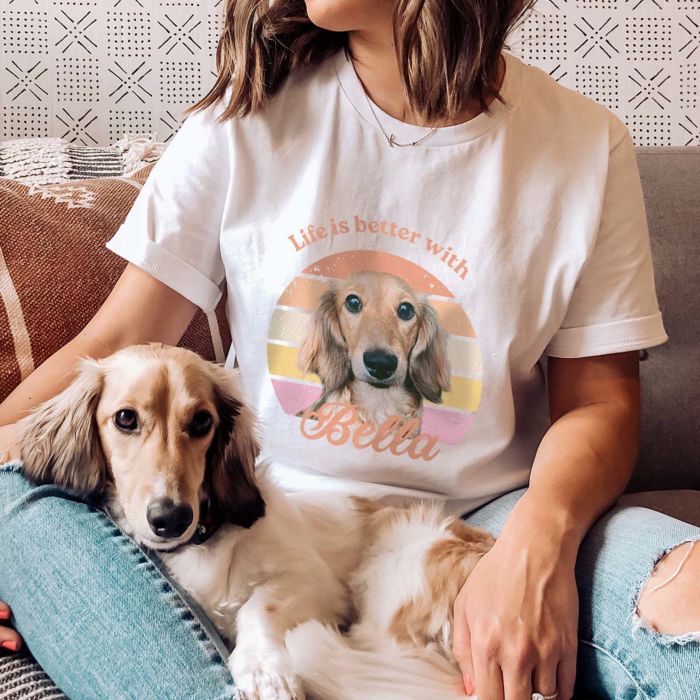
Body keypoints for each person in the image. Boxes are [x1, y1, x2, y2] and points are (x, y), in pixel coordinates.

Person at [1, 1, 698, 698]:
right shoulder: (242, 118)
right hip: (263, 518)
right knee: (15, 500)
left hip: (485, 523)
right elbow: (115, 343)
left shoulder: (585, 144)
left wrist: (537, 546)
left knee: (688, 593)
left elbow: (599, 405)